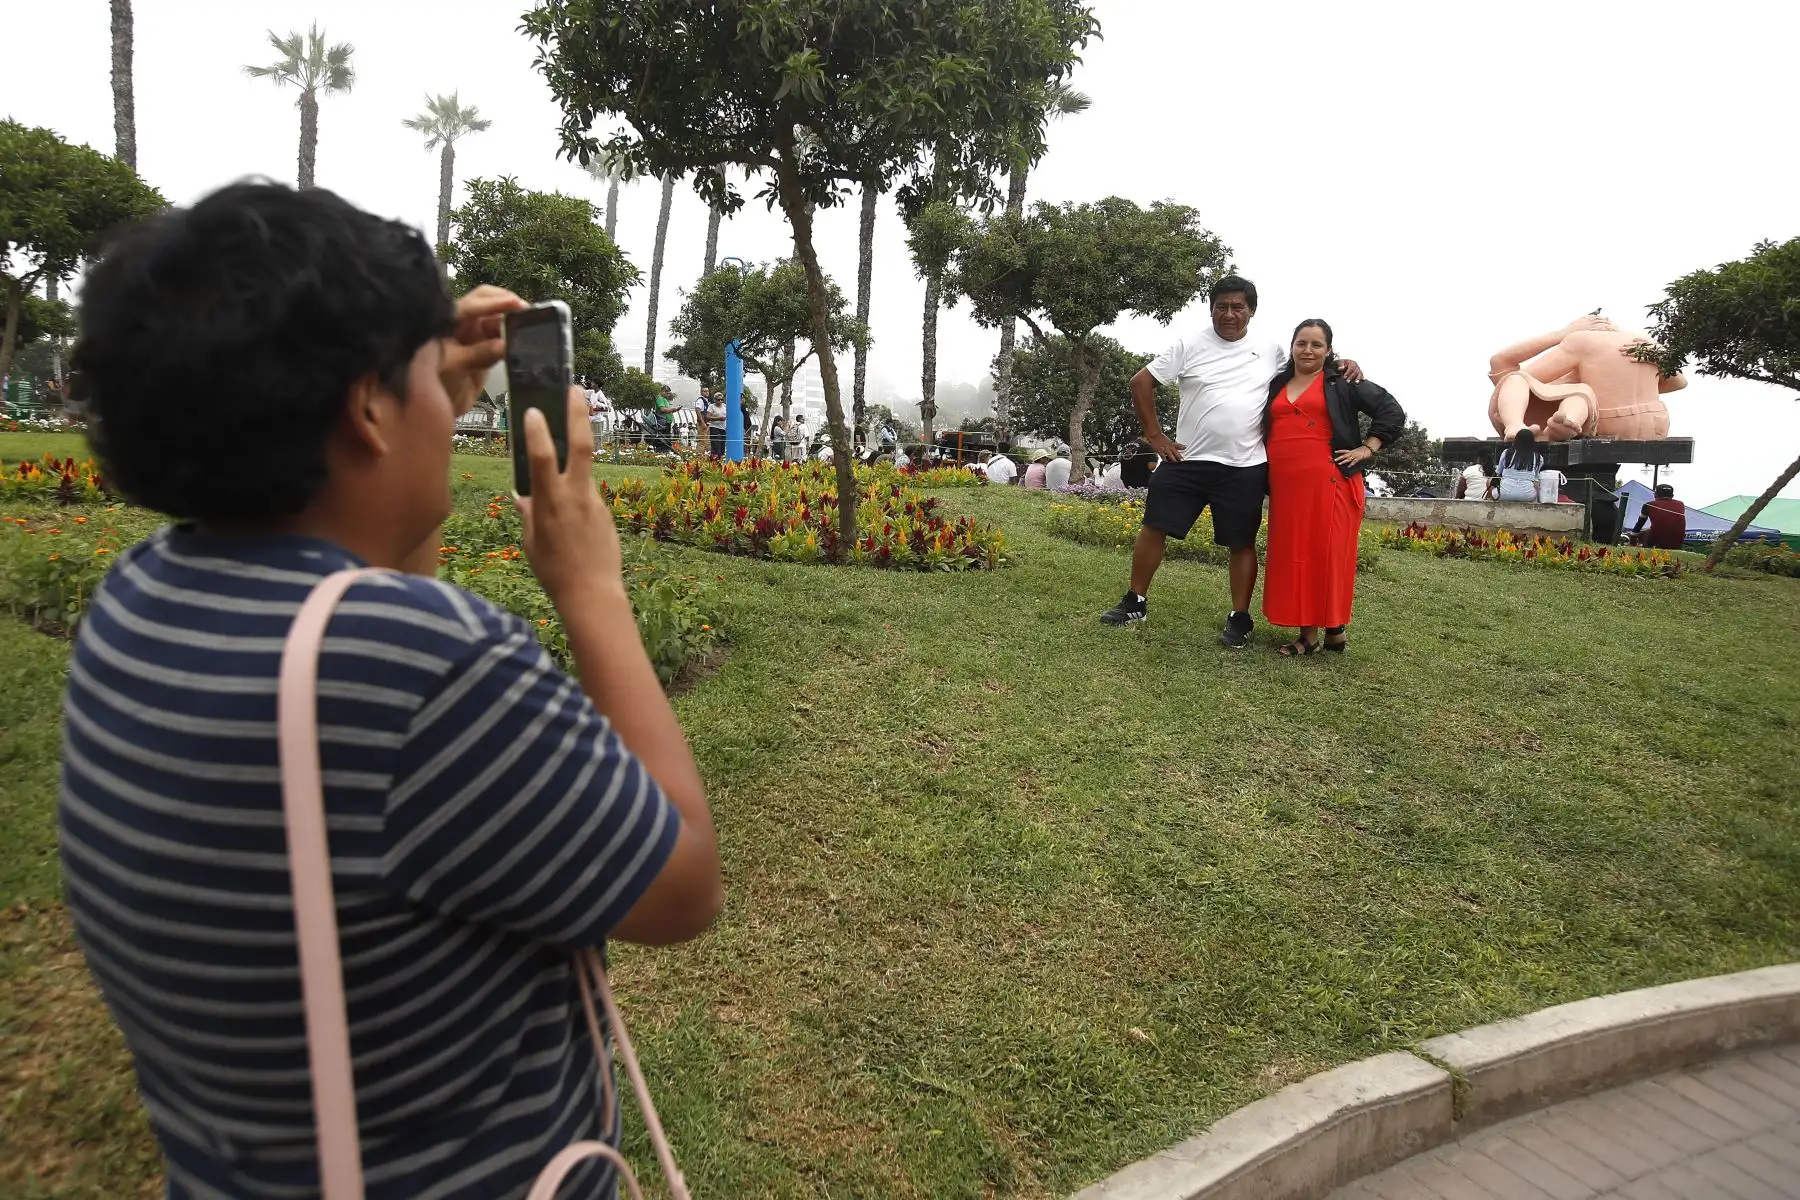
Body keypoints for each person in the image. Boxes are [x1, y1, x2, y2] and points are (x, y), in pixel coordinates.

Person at [60, 182, 723, 1200]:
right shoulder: (430, 672)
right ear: (366, 407)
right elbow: (680, 887)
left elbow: (354, 593)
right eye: (422, 372)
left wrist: (424, 389)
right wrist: (593, 590)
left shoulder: (139, 600)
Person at [1100, 275, 1363, 646]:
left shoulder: (1271, 350)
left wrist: (1344, 361)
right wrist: (1155, 436)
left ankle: (1240, 617)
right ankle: (1135, 601)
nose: (1229, 314)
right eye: (1221, 306)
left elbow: (1310, 362)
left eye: (1237, 307)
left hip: (1245, 465)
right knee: (1153, 526)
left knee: (1241, 542)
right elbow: (1140, 381)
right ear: (1210, 309)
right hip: (1186, 460)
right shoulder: (1189, 344)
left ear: (1251, 311)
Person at [1259, 319, 1404, 656]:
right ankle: (1329, 630)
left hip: (1331, 482)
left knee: (1323, 556)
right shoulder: (1276, 382)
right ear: (1292, 346)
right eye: (1301, 343)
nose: (1307, 350)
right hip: (1287, 487)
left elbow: (1391, 411)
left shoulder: (1341, 381)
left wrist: (1368, 448)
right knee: (1294, 555)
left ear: (1328, 350)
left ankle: (1312, 636)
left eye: (1316, 345)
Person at [1631, 482, 1687, 549]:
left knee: (1644, 532)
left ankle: (1637, 548)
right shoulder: (1681, 504)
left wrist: (1632, 539)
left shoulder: (1649, 505)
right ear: (1672, 496)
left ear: (1655, 495)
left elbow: (1639, 525)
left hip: (1656, 541)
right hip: (1677, 543)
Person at [1495, 428, 1545, 501]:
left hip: (1504, 494)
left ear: (1516, 440)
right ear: (1532, 441)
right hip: (1527, 496)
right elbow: (1536, 478)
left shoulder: (1506, 453)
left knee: (1489, 482)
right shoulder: (1538, 457)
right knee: (1537, 485)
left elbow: (1498, 472)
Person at [706, 391, 727, 457]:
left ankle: (721, 458)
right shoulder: (711, 406)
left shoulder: (725, 406)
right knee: (715, 445)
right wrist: (718, 418)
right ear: (715, 400)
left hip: (723, 428)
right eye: (718, 400)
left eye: (721, 400)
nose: (720, 401)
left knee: (722, 445)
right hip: (714, 428)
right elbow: (708, 417)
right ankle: (714, 459)